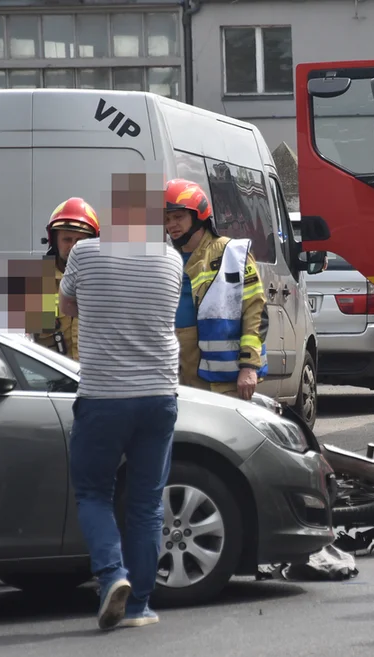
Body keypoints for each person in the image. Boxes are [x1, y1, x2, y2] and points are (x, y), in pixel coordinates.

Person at [58, 179, 185, 630]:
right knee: (148, 504)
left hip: (105, 395)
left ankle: (112, 575)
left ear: (111, 218)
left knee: (94, 492)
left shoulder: (84, 254)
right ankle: (140, 607)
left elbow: (67, 307)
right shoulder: (172, 259)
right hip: (159, 395)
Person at [163, 179, 268, 400]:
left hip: (221, 381)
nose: (171, 224)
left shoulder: (231, 254)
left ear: (199, 215)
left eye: (178, 217)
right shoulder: (164, 259)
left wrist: (249, 366)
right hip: (173, 373)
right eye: (167, 219)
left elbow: (255, 312)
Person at [35, 198, 100, 360]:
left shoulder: (106, 282)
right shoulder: (29, 279)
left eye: (80, 241)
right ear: (53, 240)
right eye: (67, 239)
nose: (73, 247)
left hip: (96, 380)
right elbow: (3, 347)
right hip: (48, 381)